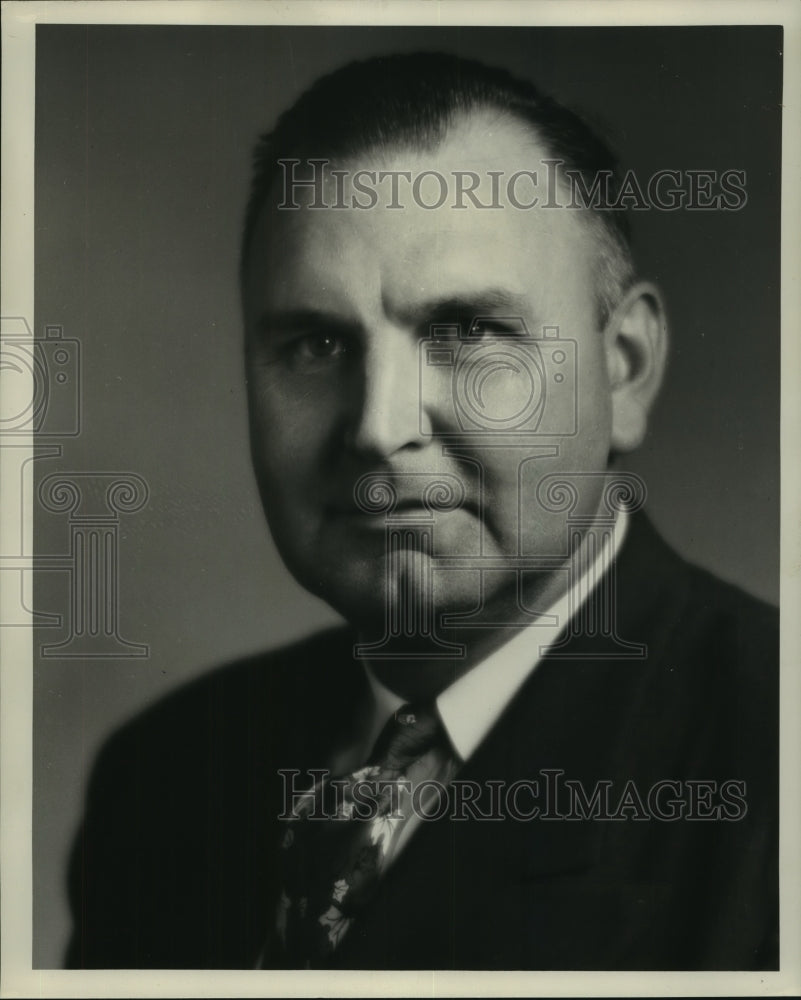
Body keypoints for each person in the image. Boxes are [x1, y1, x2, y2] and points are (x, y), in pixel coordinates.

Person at [65, 52, 778, 971]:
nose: (376, 427)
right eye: (315, 343)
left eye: (467, 332)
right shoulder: (165, 774)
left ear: (624, 368)